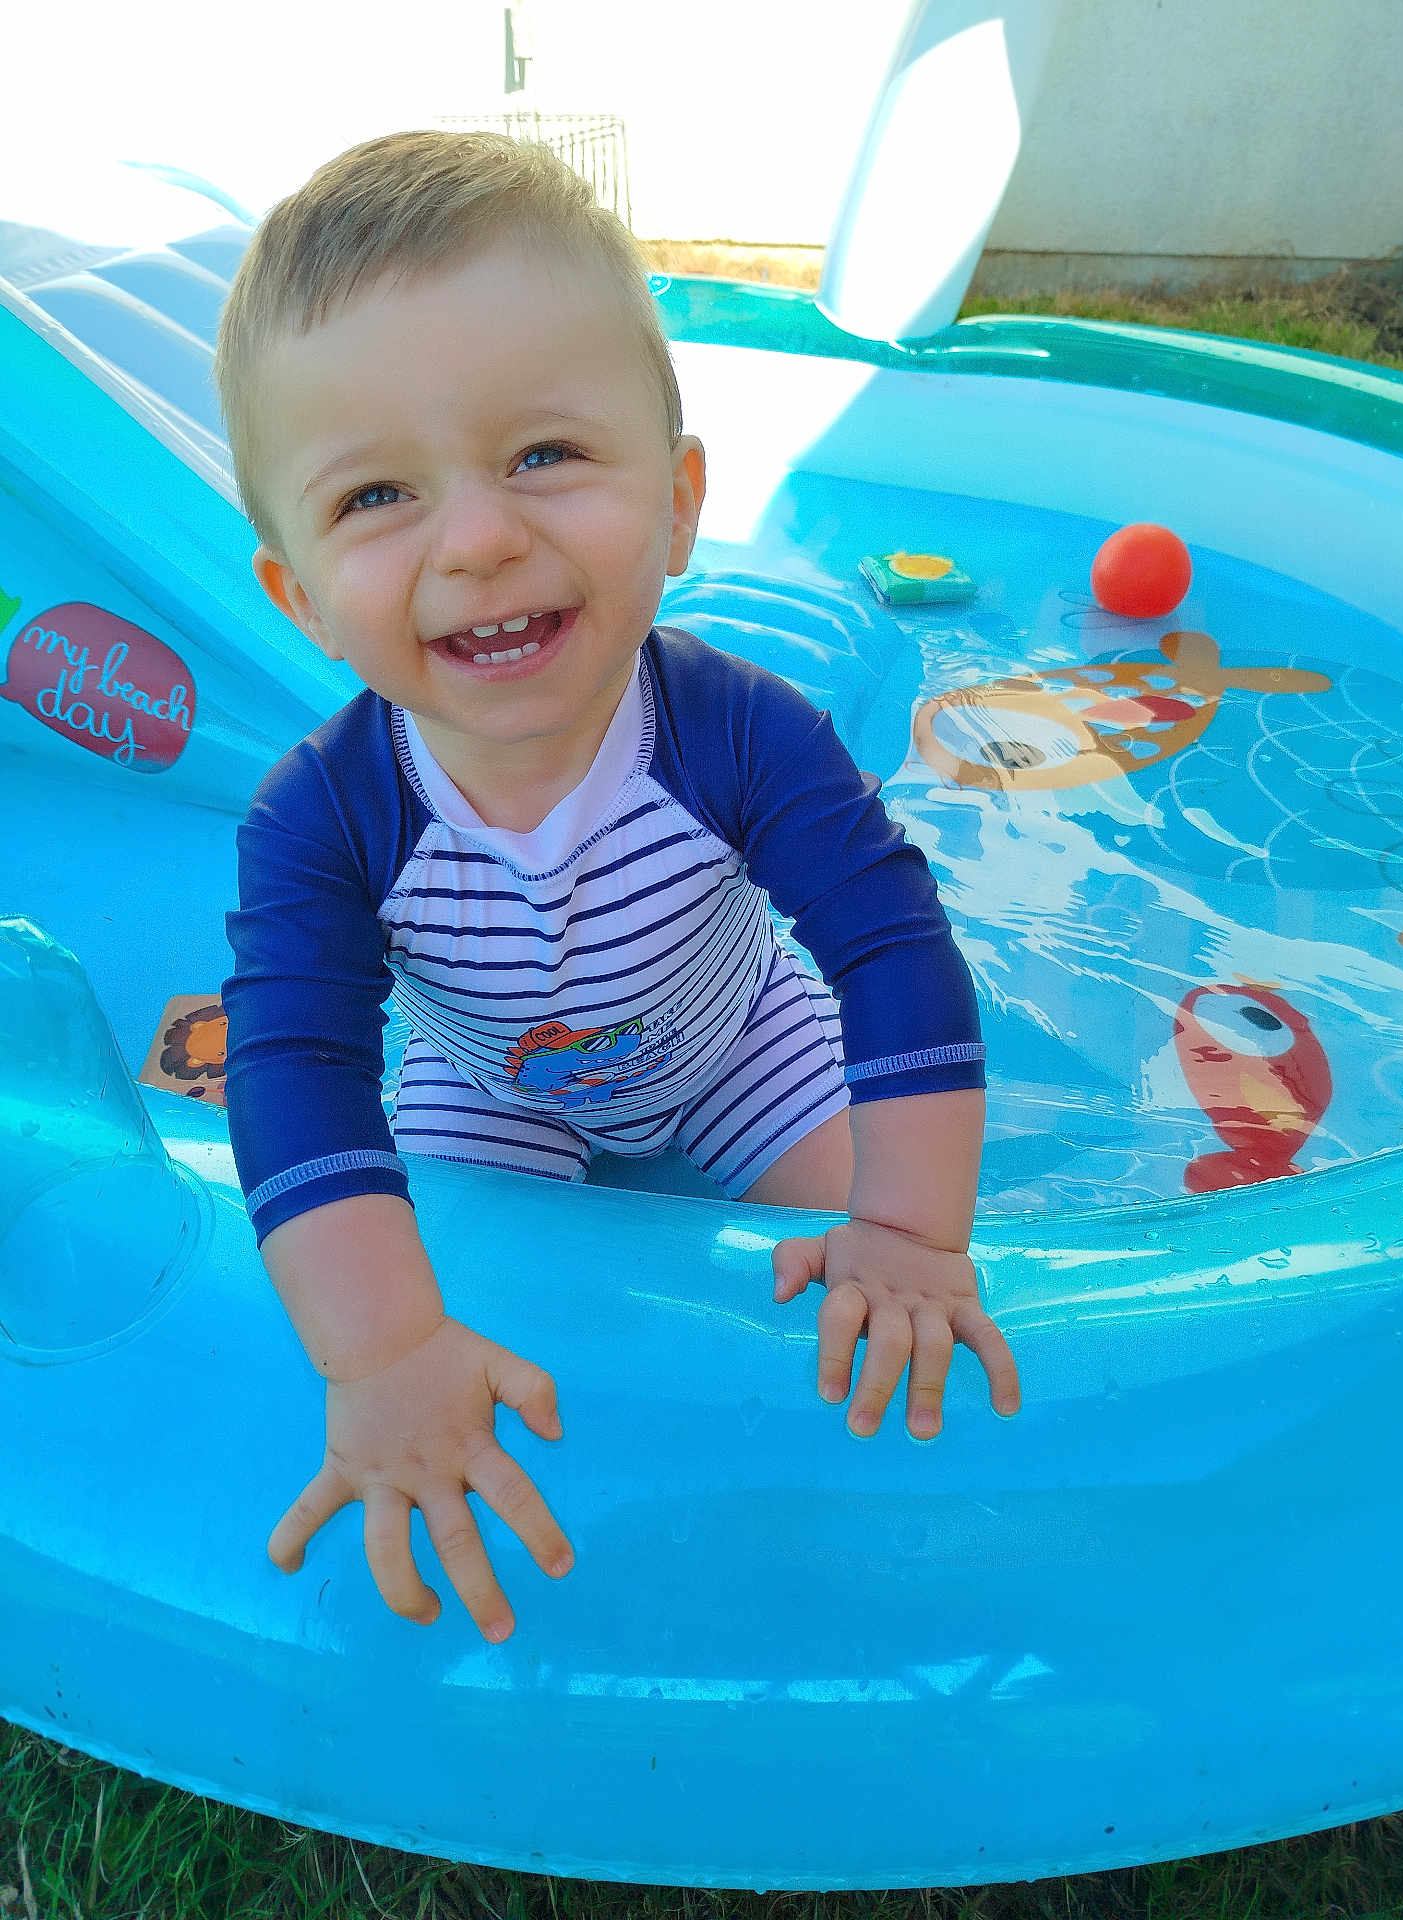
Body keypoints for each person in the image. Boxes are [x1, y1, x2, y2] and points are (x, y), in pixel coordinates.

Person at [217, 129, 1021, 1646]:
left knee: (900, 1315)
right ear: (300, 595)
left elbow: (893, 949)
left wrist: (912, 1234)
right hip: (490, 1092)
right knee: (466, 1331)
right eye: (378, 495)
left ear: (675, 504)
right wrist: (381, 1358)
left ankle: (867, 1543)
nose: (477, 538)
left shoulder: (734, 731)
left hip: (741, 1054)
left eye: (544, 456)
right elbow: (297, 1074)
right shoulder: (319, 821)